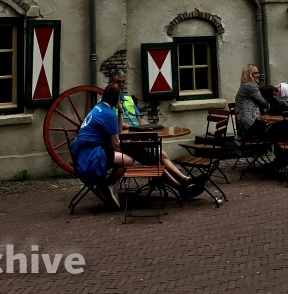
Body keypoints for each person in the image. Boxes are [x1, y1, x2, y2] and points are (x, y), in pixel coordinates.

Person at [107, 70, 202, 198]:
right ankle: (184, 182)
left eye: (123, 82)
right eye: (118, 82)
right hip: (126, 142)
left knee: (159, 156)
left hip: (138, 137)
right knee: (157, 157)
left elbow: (140, 120)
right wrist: (133, 127)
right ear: (110, 83)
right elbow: (116, 125)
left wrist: (146, 129)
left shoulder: (128, 99)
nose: (121, 85)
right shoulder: (108, 104)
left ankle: (183, 183)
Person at [69, 81, 132, 208]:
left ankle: (112, 188)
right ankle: (107, 186)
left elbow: (118, 130)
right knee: (128, 161)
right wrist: (125, 152)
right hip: (92, 157)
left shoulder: (98, 108)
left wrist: (120, 111)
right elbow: (115, 144)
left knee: (120, 158)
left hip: (81, 155)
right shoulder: (108, 115)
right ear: (116, 98)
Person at [234, 64, 270, 138]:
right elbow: (264, 104)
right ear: (249, 75)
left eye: (258, 73)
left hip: (243, 127)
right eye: (256, 73)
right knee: (277, 129)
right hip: (250, 126)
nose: (259, 75)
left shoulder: (244, 86)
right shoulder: (250, 86)